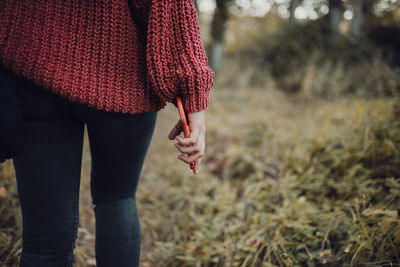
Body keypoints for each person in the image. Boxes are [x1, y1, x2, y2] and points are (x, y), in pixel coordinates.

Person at [0, 0, 214, 266]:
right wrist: (194, 94)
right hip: (123, 81)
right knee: (118, 199)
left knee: (44, 244)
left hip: (37, 71)